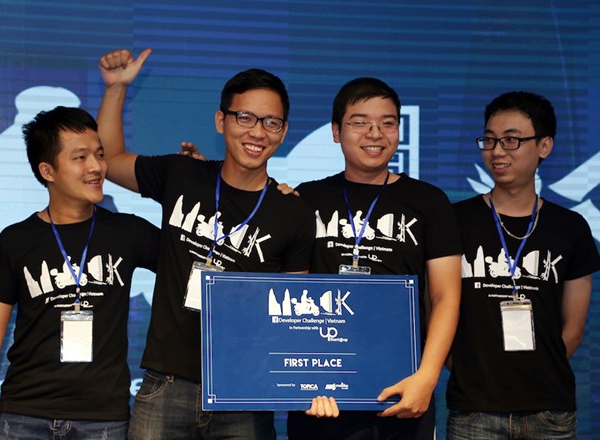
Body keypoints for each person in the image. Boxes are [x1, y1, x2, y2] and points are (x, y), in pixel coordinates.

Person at [97, 49, 315, 439]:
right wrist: (116, 89)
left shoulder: (293, 213)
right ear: (221, 120)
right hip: (165, 384)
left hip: (243, 394)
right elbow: (109, 159)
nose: (257, 132)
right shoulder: (182, 174)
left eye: (271, 122)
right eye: (244, 117)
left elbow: (295, 314)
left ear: (283, 132)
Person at [0, 106, 161, 440]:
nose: (96, 167)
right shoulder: (16, 240)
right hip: (23, 417)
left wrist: (189, 184)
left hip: (103, 421)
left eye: (99, 155)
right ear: (47, 171)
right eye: (80, 157)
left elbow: (191, 263)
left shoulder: (129, 232)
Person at [276, 77, 461, 439]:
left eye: (387, 123)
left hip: (404, 389)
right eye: (360, 122)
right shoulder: (306, 199)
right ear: (336, 131)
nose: (375, 133)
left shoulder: (429, 201)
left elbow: (445, 297)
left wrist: (427, 378)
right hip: (323, 393)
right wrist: (303, 379)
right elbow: (288, 294)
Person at [446, 91, 599, 439]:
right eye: (489, 139)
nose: (497, 151)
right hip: (474, 409)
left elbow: (573, 328)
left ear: (544, 146)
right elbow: (434, 307)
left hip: (550, 410)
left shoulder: (571, 227)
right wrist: (469, 372)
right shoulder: (454, 221)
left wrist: (537, 371)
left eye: (511, 140)